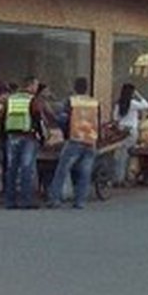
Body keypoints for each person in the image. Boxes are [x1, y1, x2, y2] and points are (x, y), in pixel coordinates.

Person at [47, 77, 100, 209]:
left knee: (62, 170)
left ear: (74, 87)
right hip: (90, 140)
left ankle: (55, 199)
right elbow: (97, 121)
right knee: (85, 172)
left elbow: (63, 118)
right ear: (87, 87)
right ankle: (80, 201)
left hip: (75, 139)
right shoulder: (94, 102)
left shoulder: (71, 101)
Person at [3, 76, 44, 209]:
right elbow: (37, 117)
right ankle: (26, 200)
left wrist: (3, 136)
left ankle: (10, 201)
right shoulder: (32, 100)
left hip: (12, 136)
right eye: (36, 85)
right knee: (27, 169)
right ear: (31, 85)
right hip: (28, 137)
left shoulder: (11, 99)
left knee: (11, 169)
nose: (37, 88)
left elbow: (2, 116)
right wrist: (42, 136)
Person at [112, 82, 148, 186]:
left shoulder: (118, 103)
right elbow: (146, 105)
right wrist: (138, 95)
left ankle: (117, 177)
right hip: (131, 132)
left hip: (121, 131)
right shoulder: (133, 103)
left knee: (119, 155)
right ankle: (122, 178)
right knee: (126, 156)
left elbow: (115, 119)